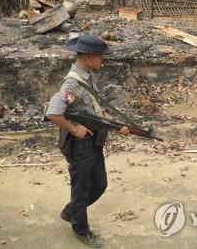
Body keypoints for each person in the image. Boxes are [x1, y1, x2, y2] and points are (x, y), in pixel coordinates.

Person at [46, 34, 129, 248]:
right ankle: (81, 230)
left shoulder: (87, 77)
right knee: (81, 190)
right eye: (100, 57)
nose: (102, 61)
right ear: (89, 57)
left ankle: (71, 211)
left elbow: (92, 110)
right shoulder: (72, 84)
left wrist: (115, 125)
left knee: (100, 184)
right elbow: (53, 113)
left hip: (94, 142)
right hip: (81, 146)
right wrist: (74, 129)